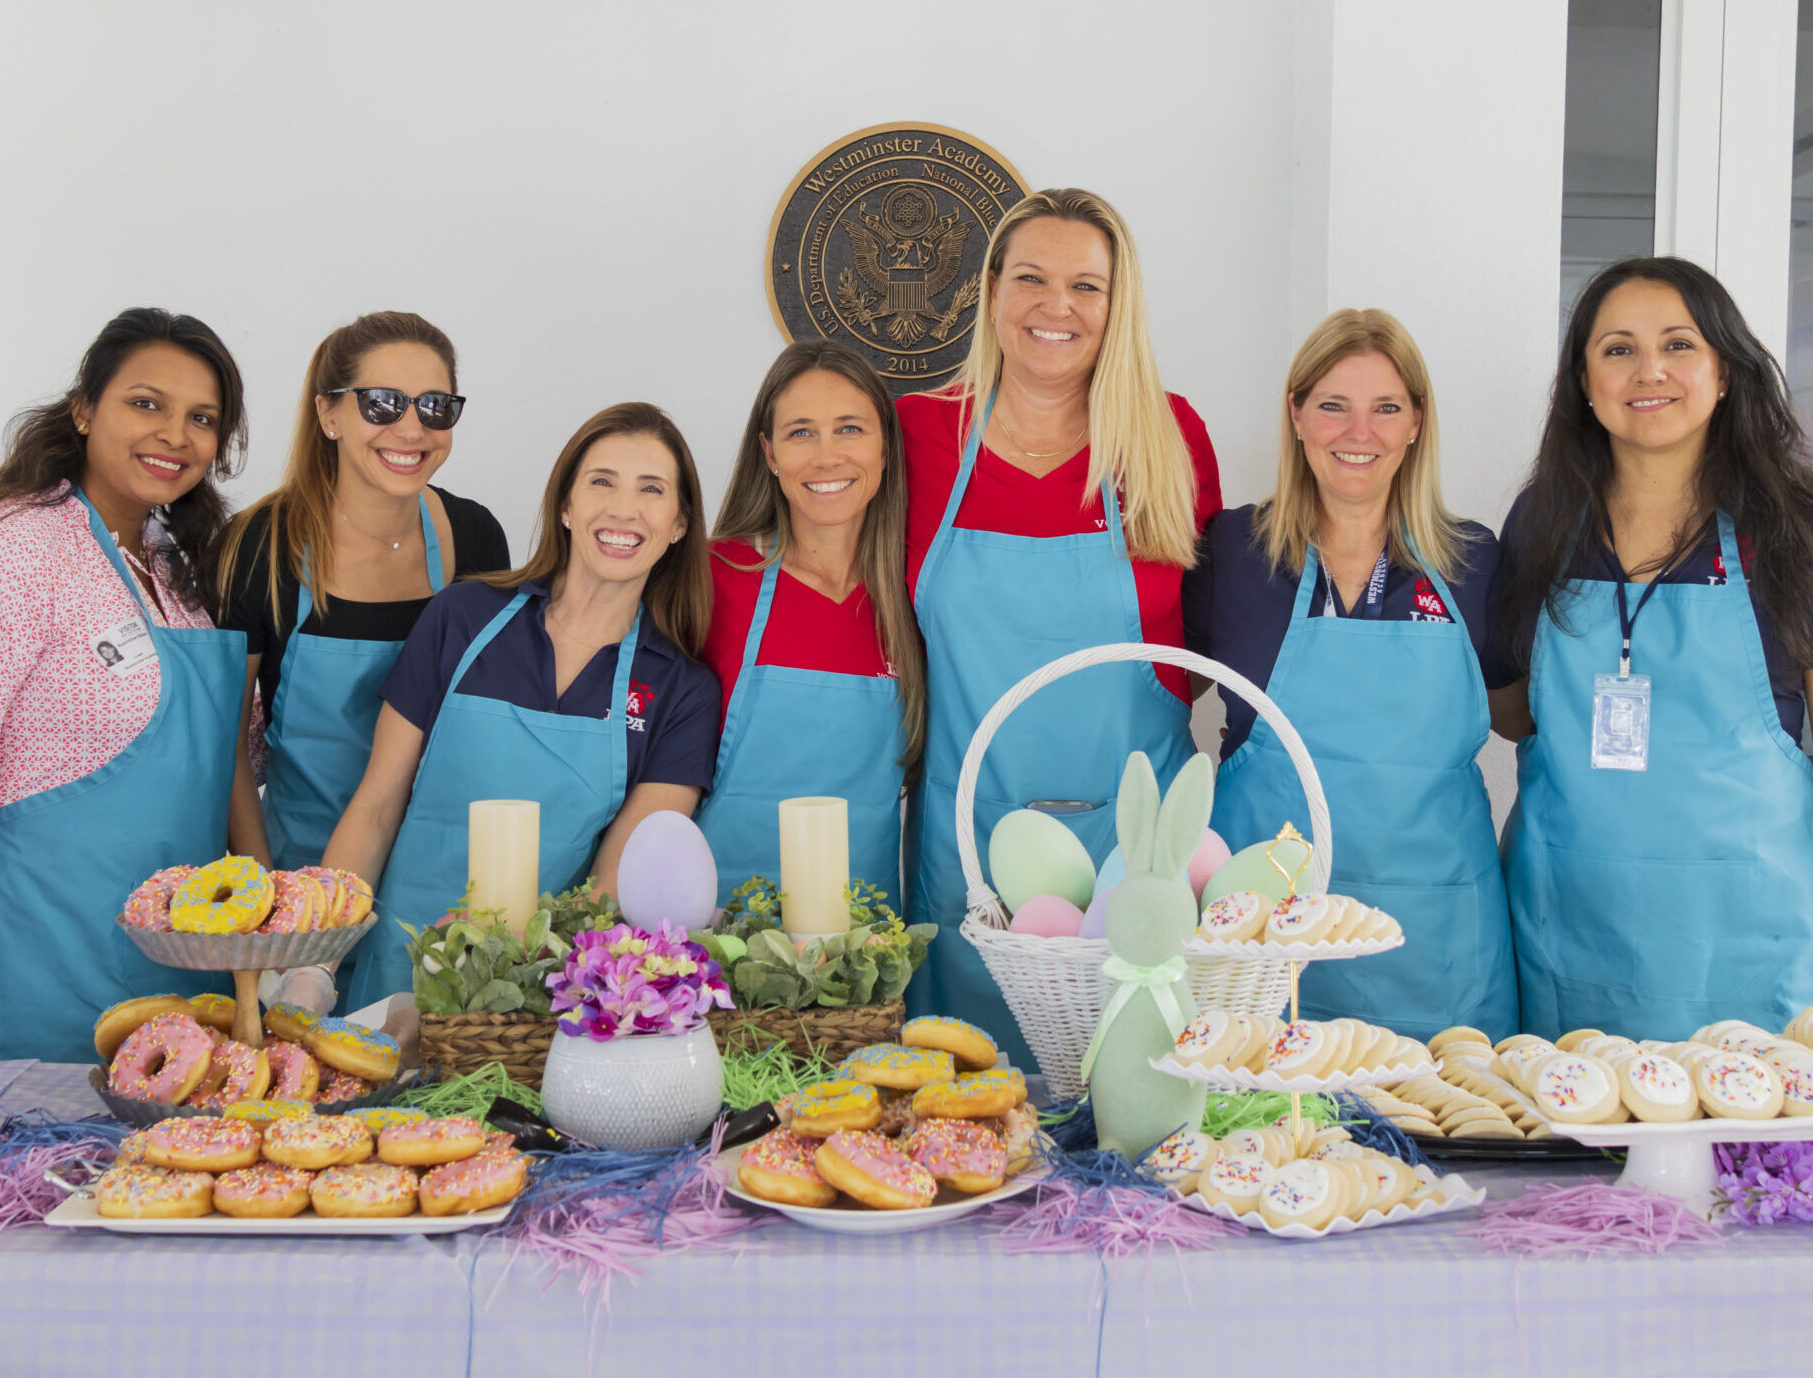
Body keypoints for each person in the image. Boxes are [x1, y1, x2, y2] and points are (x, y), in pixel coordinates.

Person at [899, 188, 1222, 1064]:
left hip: (1136, 851)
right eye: (1031, 279)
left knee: (1133, 1088)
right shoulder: (918, 435)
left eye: (1086, 286)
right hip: (967, 847)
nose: (1057, 306)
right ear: (991, 291)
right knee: (964, 1095)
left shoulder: (1168, 436)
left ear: (1118, 306)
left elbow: (1207, 640)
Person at [1492, 257, 1813, 1040]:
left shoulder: (1790, 525)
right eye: (1617, 349)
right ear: (1582, 381)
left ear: (1723, 371)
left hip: (1751, 928)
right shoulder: (1541, 520)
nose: (1648, 372)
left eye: (1677, 345)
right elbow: (1511, 711)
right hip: (1573, 920)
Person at [321, 403, 719, 1011]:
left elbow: (611, 886)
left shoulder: (682, 690)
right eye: (602, 482)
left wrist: (512, 992)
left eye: (651, 489)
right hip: (394, 968)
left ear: (679, 524)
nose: (623, 509)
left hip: (538, 999)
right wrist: (315, 961)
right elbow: (375, 808)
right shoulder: (463, 618)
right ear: (565, 506)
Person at [1184, 309, 1514, 1040]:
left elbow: (1518, 715)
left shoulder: (1471, 561)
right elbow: (1170, 689)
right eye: (1333, 405)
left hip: (1432, 938)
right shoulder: (1233, 552)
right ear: (1296, 414)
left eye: (1385, 408)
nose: (1358, 432)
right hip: (1264, 934)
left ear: (1416, 422)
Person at [215, 313, 507, 1015]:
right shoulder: (259, 546)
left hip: (438, 899)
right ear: (329, 414)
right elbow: (222, 745)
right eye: (382, 404)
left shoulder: (475, 538)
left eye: (434, 406)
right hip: (302, 885)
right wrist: (264, 904)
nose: (411, 429)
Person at [0, 308, 247, 1059]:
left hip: (184, 969)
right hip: (44, 961)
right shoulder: (22, 546)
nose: (175, 434)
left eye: (201, 418)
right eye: (146, 403)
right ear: (83, 409)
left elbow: (234, 763)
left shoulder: (178, 562)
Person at [699, 341, 924, 907]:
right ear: (769, 453)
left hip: (864, 936)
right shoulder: (712, 576)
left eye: (850, 429)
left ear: (885, 447)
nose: (827, 457)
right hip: (712, 928)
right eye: (801, 432)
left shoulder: (919, 593)